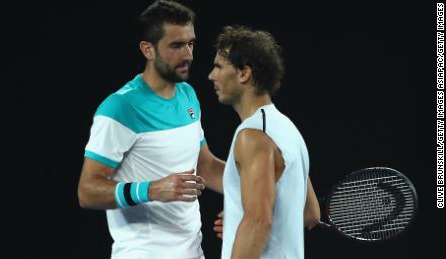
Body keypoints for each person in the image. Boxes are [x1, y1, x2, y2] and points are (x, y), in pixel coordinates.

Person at [77, 1, 225, 258]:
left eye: (190, 43)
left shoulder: (188, 95)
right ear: (148, 49)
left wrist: (259, 188)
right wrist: (152, 189)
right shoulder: (120, 107)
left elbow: (206, 165)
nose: (188, 55)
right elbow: (87, 191)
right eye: (176, 45)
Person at [208, 26, 320, 259]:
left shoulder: (252, 136)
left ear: (243, 74)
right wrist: (241, 219)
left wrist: (250, 225)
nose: (212, 75)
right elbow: (310, 213)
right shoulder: (288, 129)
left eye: (219, 66)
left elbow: (258, 222)